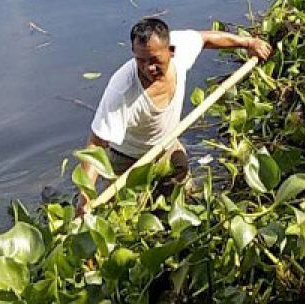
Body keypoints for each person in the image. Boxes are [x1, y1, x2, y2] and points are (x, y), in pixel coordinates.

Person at [75, 17, 271, 212]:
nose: (148, 68)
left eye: (154, 60)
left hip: (167, 145)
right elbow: (96, 145)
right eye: (141, 60)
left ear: (171, 51)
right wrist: (85, 198)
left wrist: (249, 43)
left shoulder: (180, 48)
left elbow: (205, 39)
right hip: (127, 159)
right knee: (127, 216)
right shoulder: (122, 90)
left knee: (184, 197)